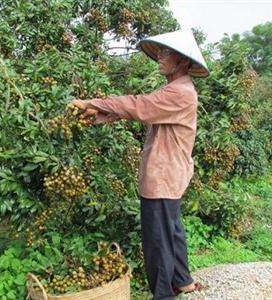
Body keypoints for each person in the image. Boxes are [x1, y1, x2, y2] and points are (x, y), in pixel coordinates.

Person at [70, 28, 209, 300]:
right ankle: (182, 282)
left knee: (158, 239)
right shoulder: (176, 89)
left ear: (182, 61)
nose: (159, 56)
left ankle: (163, 294)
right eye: (160, 51)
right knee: (171, 230)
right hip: (170, 174)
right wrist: (99, 114)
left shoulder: (180, 92)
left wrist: (93, 102)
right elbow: (145, 110)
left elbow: (139, 106)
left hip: (163, 175)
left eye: (166, 52)